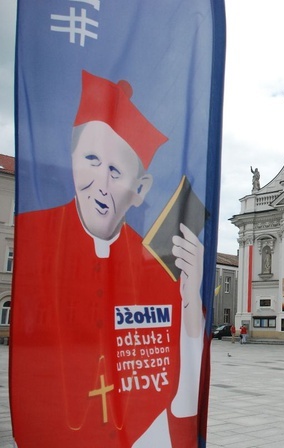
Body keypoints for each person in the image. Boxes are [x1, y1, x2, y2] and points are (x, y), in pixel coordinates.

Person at [11, 71, 205, 446]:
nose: (100, 182)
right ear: (71, 160)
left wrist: (191, 300)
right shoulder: (34, 232)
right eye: (91, 159)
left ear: (140, 190)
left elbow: (180, 400)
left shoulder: (155, 260)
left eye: (116, 171)